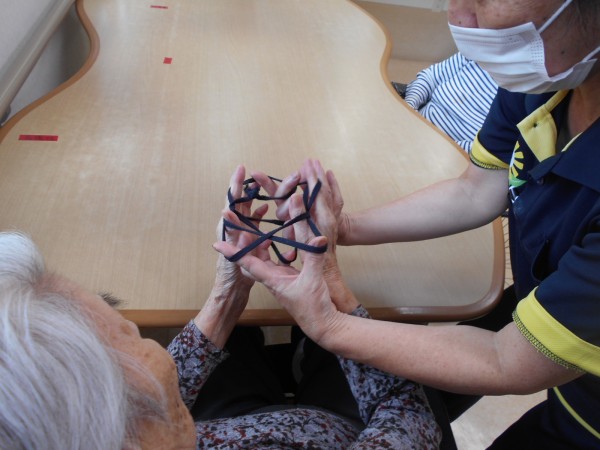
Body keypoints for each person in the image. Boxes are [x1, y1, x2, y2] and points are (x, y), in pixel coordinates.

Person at [215, 0, 600, 448]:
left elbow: (506, 359)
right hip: (570, 374)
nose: (459, 18)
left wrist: (330, 325)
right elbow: (475, 191)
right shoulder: (547, 82)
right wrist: (345, 226)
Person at [0, 165, 441, 449]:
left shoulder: (137, 431)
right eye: (122, 332)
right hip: (348, 429)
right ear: (127, 425)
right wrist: (332, 298)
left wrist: (229, 292)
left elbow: (154, 390)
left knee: (241, 337)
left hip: (241, 425)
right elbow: (407, 417)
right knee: (368, 345)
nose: (136, 331)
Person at [392, 52, 497, 152]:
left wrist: (436, 144)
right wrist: (409, 108)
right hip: (414, 123)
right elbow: (431, 77)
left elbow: (491, 148)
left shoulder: (508, 99)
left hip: (452, 155)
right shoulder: (480, 49)